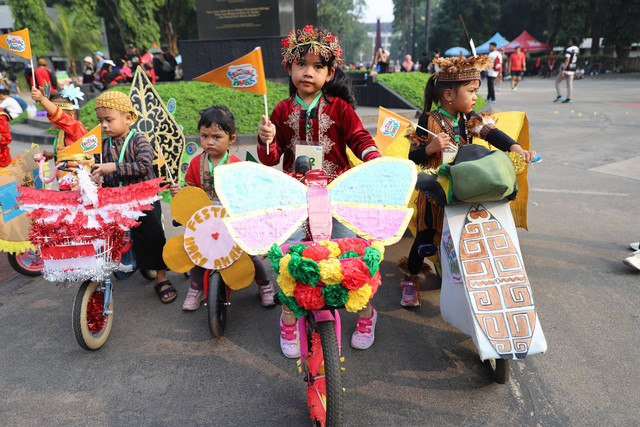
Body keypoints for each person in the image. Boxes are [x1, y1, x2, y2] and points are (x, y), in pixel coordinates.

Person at [257, 26, 382, 357]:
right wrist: (265, 138)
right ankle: (288, 317)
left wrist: (375, 160)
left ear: (329, 73)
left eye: (317, 66)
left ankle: (366, 314)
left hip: (336, 194)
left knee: (352, 257)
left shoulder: (340, 108)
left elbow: (360, 139)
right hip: (295, 197)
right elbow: (270, 158)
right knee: (286, 257)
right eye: (301, 64)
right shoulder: (281, 111)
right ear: (290, 69)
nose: (307, 72)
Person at [398, 55, 536, 307]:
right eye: (471, 91)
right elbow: (413, 157)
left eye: (476, 91)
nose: (475, 97)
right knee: (425, 237)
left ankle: (462, 279)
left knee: (464, 235)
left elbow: (491, 133)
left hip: (463, 189)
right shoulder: (428, 119)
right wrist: (430, 148)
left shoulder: (468, 118)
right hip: (434, 192)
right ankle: (410, 279)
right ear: (449, 95)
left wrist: (515, 147)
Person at [168, 105, 276, 310]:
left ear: (231, 139)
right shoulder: (194, 164)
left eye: (217, 137)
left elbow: (244, 195)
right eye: (204, 135)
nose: (209, 141)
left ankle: (264, 284)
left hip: (230, 221)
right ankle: (196, 288)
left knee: (247, 255)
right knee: (197, 254)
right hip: (204, 222)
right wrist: (180, 193)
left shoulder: (236, 164)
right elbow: (191, 190)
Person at [90, 91, 177, 304]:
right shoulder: (102, 145)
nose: (104, 125)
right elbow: (97, 168)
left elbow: (144, 165)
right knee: (111, 236)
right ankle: (122, 264)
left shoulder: (140, 140)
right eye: (100, 120)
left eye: (108, 120)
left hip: (143, 200)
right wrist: (95, 175)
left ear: (128, 118)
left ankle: (161, 278)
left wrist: (114, 167)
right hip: (115, 200)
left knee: (153, 236)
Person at [31, 85, 87, 160]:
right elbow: (70, 152)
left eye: (51, 112)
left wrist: (42, 99)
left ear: (70, 115)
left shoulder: (77, 128)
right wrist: (54, 154)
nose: (51, 118)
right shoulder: (63, 132)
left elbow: (60, 116)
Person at [554, 37, 580, 104]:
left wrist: (563, 69)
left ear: (572, 42)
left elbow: (567, 59)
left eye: (570, 41)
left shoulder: (569, 49)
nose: (569, 42)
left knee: (557, 81)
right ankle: (569, 98)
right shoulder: (577, 49)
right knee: (570, 84)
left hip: (567, 68)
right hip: (573, 68)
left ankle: (559, 96)